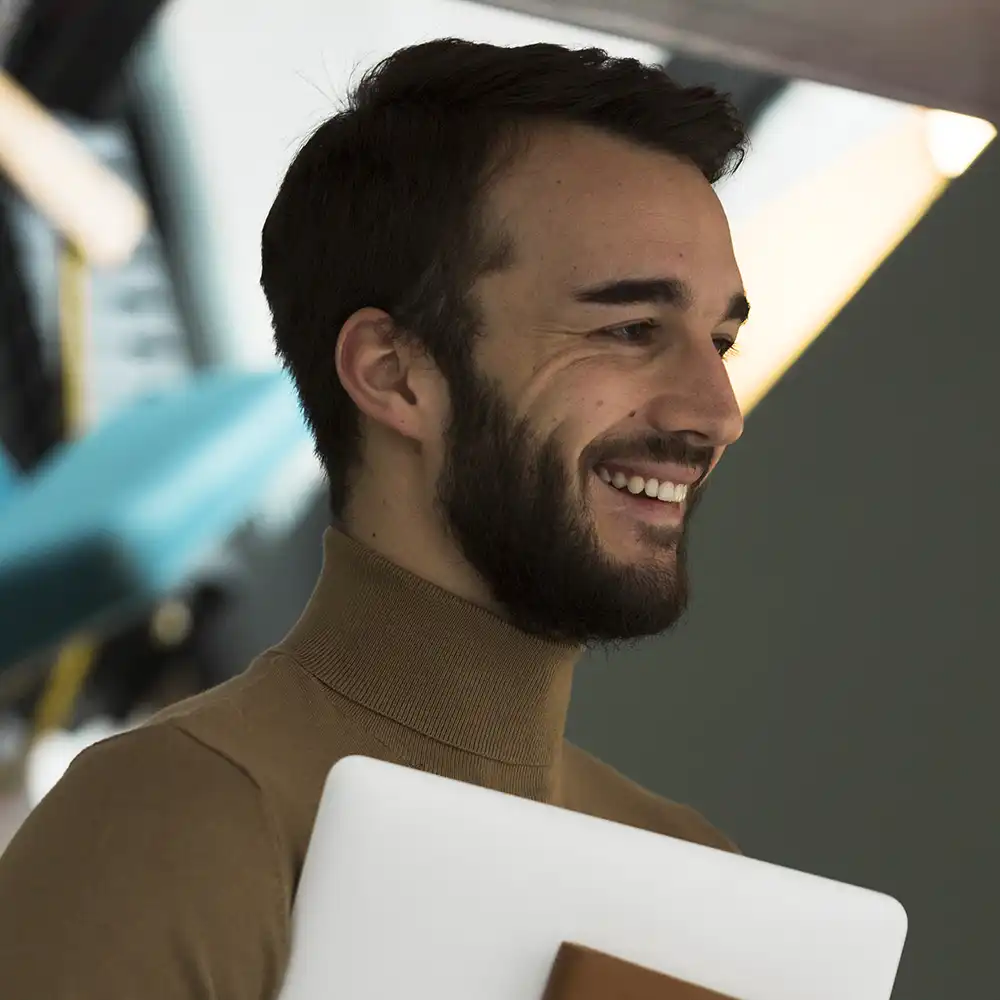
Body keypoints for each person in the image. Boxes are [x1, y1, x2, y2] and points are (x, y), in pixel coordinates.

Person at [0, 37, 750, 998]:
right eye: (630, 330)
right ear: (395, 375)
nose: (716, 409)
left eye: (720, 338)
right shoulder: (172, 828)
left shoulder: (692, 871)